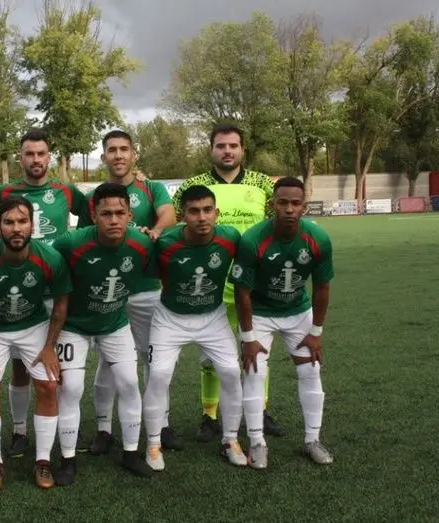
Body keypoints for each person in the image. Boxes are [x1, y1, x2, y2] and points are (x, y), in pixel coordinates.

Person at [170, 123, 283, 441]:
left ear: (243, 149)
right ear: (212, 150)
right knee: (210, 357)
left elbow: (275, 229)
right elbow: (178, 228)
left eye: (233, 145)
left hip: (254, 283)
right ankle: (210, 416)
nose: (227, 151)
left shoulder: (263, 184)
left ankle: (260, 410)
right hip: (211, 283)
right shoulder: (193, 186)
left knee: (257, 352)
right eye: (221, 146)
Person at [78, 130, 179, 454]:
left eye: (124, 149)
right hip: (109, 294)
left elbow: (168, 214)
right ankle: (104, 429)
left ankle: (161, 424)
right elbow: (84, 237)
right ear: (104, 156)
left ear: (134, 154)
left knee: (153, 359)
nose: (118, 155)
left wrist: (156, 231)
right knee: (109, 363)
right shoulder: (96, 196)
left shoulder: (151, 188)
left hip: (146, 289)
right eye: (112, 150)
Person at [0, 196, 71, 491]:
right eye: (8, 222)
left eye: (22, 221)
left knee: (48, 385)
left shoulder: (50, 258)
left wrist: (49, 346)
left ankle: (43, 460)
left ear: (32, 225)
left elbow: (61, 304)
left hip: (33, 325)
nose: (16, 228)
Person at [0, 129, 89, 458]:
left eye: (41, 153)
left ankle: (64, 431)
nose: (35, 159)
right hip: (20, 289)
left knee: (56, 368)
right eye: (29, 154)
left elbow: (90, 217)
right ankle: (19, 431)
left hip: (55, 289)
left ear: (50, 156)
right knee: (21, 368)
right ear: (20, 158)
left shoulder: (65, 190)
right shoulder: (4, 192)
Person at [51, 182, 155, 485]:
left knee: (129, 382)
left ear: (130, 215)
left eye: (120, 213)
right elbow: (50, 274)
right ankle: (68, 459)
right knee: (71, 388)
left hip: (114, 323)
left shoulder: (142, 244)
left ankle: (131, 454)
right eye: (106, 214)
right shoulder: (69, 243)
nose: (114, 220)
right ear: (94, 216)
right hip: (74, 326)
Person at [229, 176, 334, 468]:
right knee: (254, 373)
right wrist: (248, 337)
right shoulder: (253, 239)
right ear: (272, 204)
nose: (289, 209)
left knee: (311, 370)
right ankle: (257, 442)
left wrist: (316, 332)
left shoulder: (318, 238)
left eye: (296, 203)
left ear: (304, 207)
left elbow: (322, 287)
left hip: (298, 312)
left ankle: (312, 440)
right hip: (260, 313)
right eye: (283, 203)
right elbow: (242, 292)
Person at [142, 185, 247, 471]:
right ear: (182, 215)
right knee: (158, 375)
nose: (202, 217)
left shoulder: (230, 238)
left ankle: (230, 440)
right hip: (170, 318)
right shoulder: (165, 243)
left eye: (207, 210)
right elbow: (147, 269)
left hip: (213, 316)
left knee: (230, 372)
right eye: (194, 211)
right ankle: (153, 444)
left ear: (217, 213)